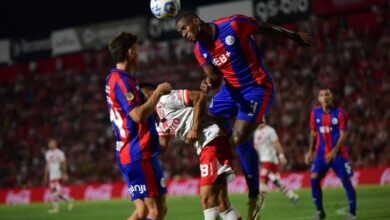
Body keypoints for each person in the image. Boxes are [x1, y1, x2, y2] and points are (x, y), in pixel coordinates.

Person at [176, 12, 313, 220]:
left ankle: (254, 194)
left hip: (256, 88)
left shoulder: (233, 24)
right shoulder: (200, 49)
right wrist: (207, 83)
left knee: (239, 138)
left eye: (184, 28)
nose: (183, 34)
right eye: (179, 33)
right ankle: (226, 162)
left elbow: (264, 26)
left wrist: (293, 36)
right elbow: (214, 78)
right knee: (209, 122)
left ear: (196, 21)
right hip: (230, 91)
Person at [140, 83, 241, 220]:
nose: (141, 103)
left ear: (152, 93)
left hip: (212, 140)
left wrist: (194, 127)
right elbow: (162, 146)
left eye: (142, 98)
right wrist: (139, 146)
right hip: (207, 146)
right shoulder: (159, 121)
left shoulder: (166, 99)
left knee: (207, 200)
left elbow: (199, 96)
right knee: (221, 201)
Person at [106, 32, 172, 220]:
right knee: (156, 212)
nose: (140, 54)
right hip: (137, 153)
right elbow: (137, 115)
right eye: (137, 49)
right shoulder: (122, 81)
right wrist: (158, 93)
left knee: (145, 211)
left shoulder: (115, 79)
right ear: (131, 52)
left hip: (135, 152)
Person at [305, 88, 356, 220]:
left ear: (332, 97)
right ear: (318, 98)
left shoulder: (340, 113)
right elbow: (313, 133)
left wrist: (334, 152)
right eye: (322, 95)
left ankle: (352, 213)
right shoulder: (314, 113)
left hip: (339, 155)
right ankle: (320, 212)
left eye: (327, 94)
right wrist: (310, 151)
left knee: (346, 181)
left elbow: (343, 135)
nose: (325, 97)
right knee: (314, 180)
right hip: (321, 155)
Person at [253, 123, 299, 203]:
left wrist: (281, 155)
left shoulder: (270, 130)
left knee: (262, 179)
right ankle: (291, 195)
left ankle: (260, 203)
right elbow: (256, 147)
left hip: (269, 159)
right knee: (274, 180)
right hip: (262, 160)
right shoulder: (256, 132)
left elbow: (276, 143)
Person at [44, 138, 73, 214]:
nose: (50, 144)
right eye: (49, 143)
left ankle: (56, 209)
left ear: (55, 144)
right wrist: (45, 175)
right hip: (51, 176)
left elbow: (64, 163)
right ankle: (69, 200)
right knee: (55, 193)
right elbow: (47, 165)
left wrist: (65, 173)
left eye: (52, 143)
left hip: (57, 175)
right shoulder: (47, 153)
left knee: (55, 193)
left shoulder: (60, 153)